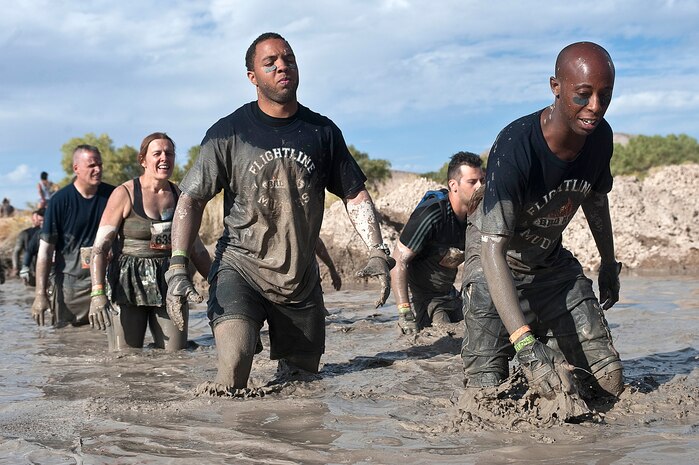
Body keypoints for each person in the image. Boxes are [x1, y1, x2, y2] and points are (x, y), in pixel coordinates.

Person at [168, 32, 394, 391]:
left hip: (300, 280)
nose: (282, 66)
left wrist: (377, 250)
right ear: (252, 77)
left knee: (303, 385)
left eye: (288, 59)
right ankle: (232, 444)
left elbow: (354, 195)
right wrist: (177, 266)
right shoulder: (228, 133)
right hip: (240, 268)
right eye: (270, 62)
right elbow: (191, 199)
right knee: (235, 364)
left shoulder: (322, 131)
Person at [461, 42, 624, 401]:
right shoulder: (516, 146)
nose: (595, 107)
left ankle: (551, 350)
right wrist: (524, 345)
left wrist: (609, 263)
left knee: (608, 382)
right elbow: (492, 252)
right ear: (556, 87)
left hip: (548, 264)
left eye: (605, 95)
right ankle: (530, 347)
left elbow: (596, 200)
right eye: (583, 95)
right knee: (488, 396)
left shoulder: (601, 138)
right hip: (495, 264)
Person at [87, 132, 211, 351]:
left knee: (175, 355)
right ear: (143, 160)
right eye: (157, 153)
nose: (165, 158)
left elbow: (197, 249)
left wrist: (220, 285)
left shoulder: (181, 195)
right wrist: (97, 294)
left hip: (170, 279)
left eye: (169, 153)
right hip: (127, 282)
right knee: (126, 358)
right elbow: (100, 248)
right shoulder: (124, 193)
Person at [390, 152, 484, 334]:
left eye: (482, 180)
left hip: (450, 294)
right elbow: (398, 260)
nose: (480, 186)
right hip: (423, 298)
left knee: (481, 328)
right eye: (472, 182)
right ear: (453, 185)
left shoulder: (477, 215)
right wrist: (404, 312)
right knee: (445, 341)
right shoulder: (432, 214)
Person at [31, 145, 115, 327]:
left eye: (100, 164)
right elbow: (45, 252)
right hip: (71, 285)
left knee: (110, 340)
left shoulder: (114, 196)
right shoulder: (59, 201)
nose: (98, 169)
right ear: (76, 168)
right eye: (92, 165)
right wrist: (40, 295)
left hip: (107, 281)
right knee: (68, 343)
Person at [12, 207, 45, 286]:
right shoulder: (26, 233)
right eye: (39, 220)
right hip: (35, 268)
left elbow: (16, 252)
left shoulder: (27, 233)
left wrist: (16, 267)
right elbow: (17, 252)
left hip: (30, 268)